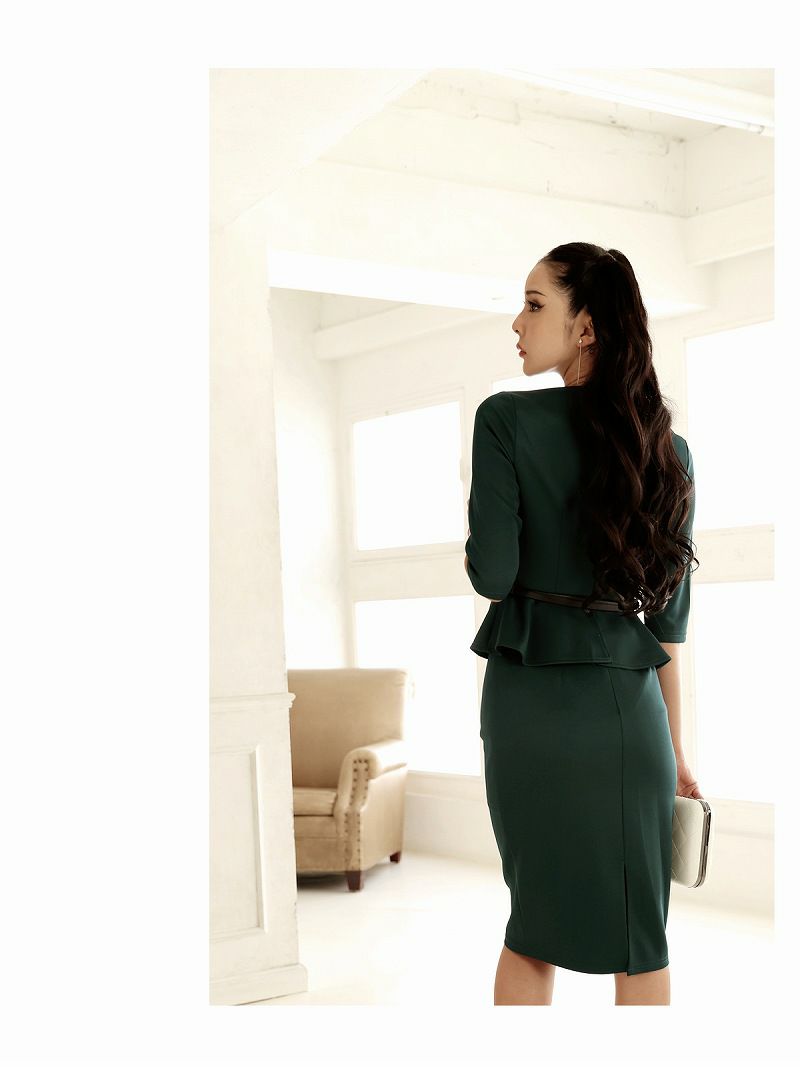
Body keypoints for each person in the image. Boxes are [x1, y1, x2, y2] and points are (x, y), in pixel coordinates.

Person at [464, 242, 702, 1007]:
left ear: (588, 326)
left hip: (526, 711)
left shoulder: (504, 420)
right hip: (628, 724)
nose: (518, 322)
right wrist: (677, 751)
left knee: (531, 930)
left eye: (535, 304)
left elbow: (492, 576)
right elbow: (668, 627)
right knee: (642, 942)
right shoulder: (669, 452)